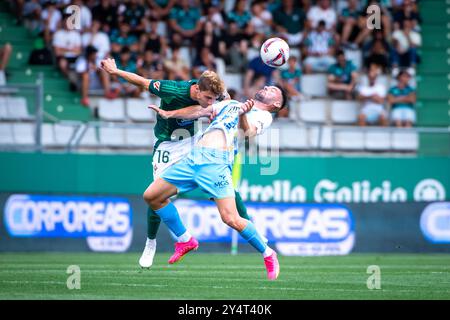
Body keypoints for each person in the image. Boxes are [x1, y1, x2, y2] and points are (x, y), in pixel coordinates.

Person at [100, 58, 254, 269]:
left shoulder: (215, 94)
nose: (211, 103)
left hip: (194, 142)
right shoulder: (173, 89)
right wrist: (115, 71)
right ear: (197, 90)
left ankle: (251, 229)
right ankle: (150, 242)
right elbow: (143, 82)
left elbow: (224, 101)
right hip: (167, 144)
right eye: (208, 98)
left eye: (213, 99)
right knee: (156, 195)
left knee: (225, 186)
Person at [144, 86, 286, 280]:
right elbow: (200, 111)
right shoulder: (232, 104)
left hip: (216, 163)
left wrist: (243, 114)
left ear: (275, 104)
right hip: (193, 159)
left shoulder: (263, 116)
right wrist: (170, 113)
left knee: (231, 218)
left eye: (272, 90)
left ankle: (268, 253)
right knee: (152, 196)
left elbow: (249, 132)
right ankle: (185, 240)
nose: (267, 87)